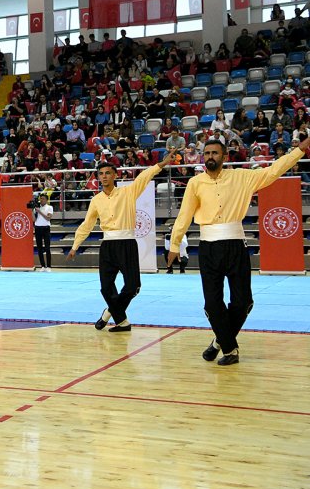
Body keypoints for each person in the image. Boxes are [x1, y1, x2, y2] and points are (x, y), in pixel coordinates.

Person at [169, 138, 309, 365]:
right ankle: (230, 350)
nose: (210, 156)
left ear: (224, 156)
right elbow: (184, 215)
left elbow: (273, 171)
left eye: (215, 153)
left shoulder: (242, 177)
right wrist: (175, 244)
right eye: (207, 153)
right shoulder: (195, 183)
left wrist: (299, 150)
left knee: (243, 302)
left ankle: (220, 341)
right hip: (208, 248)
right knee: (212, 304)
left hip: (236, 245)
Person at [67, 150, 177, 332]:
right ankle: (123, 322)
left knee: (133, 286)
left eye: (108, 173)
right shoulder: (96, 200)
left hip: (127, 243)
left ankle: (108, 313)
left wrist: (162, 164)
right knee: (106, 287)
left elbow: (144, 177)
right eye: (101, 174)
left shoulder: (128, 192)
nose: (104, 176)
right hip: (107, 245)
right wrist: (75, 246)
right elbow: (87, 224)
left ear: (115, 175)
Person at [33, 193, 54, 271]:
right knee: (39, 248)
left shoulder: (49, 207)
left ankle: (49, 266)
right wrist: (32, 211)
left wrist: (40, 212)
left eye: (43, 198)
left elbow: (48, 218)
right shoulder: (36, 208)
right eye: (40, 198)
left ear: (46, 200)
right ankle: (42, 266)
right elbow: (34, 219)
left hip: (46, 228)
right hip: (38, 228)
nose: (41, 200)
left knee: (47, 248)